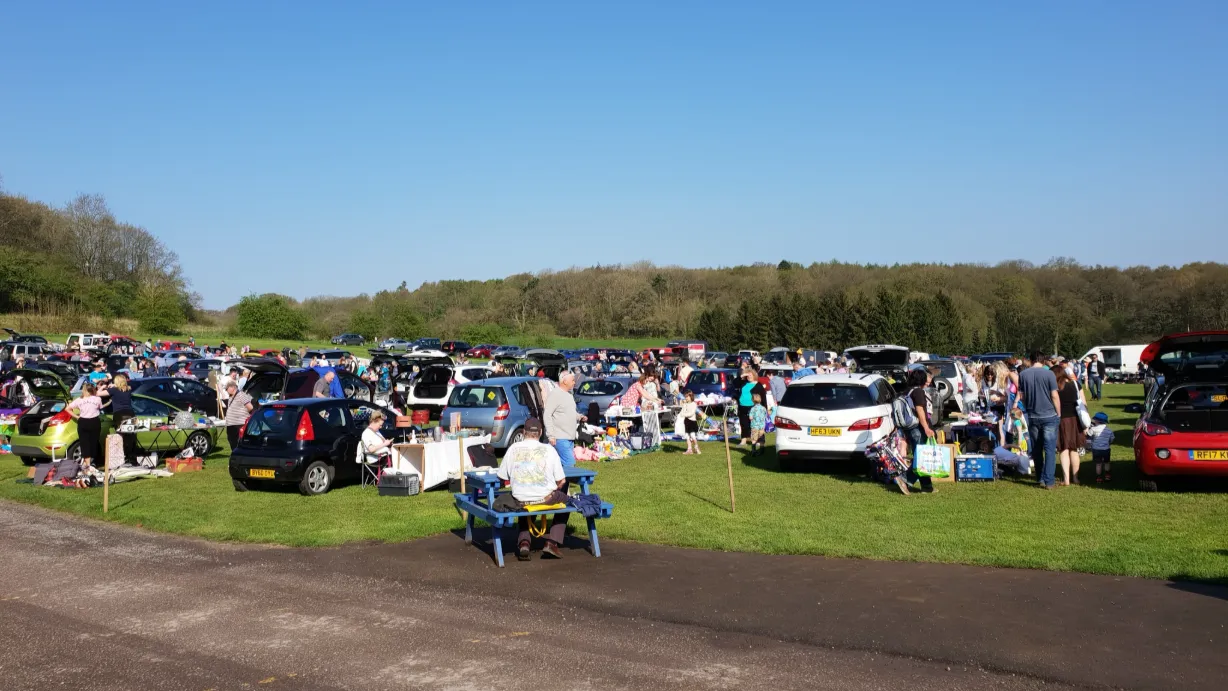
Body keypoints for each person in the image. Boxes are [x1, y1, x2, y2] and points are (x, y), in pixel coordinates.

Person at [496, 418, 569, 561]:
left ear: (524, 432)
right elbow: (561, 480)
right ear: (540, 432)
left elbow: (501, 476)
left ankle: (524, 541)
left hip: (521, 500)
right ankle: (552, 541)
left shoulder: (513, 449)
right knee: (566, 498)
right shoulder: (549, 450)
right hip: (545, 498)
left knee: (524, 497)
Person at [1019, 352, 1061, 489]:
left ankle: (1040, 477)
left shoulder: (1023, 375)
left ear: (1031, 360)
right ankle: (1049, 481)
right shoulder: (1049, 374)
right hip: (1049, 415)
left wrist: (1027, 407)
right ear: (1043, 361)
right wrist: (1058, 413)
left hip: (1032, 415)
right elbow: (1054, 395)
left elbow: (1022, 396)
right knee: (1049, 449)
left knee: (1036, 449)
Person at [899, 368, 937, 495]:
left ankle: (927, 486)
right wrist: (926, 428)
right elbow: (920, 411)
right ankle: (905, 479)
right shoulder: (918, 392)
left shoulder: (907, 391)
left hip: (910, 428)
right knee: (921, 459)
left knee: (922, 457)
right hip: (918, 429)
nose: (927, 382)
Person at [1053, 364, 1085, 485]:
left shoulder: (1055, 388)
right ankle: (1076, 478)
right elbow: (1083, 403)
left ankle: (1066, 479)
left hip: (1061, 420)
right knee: (1074, 449)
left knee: (1063, 449)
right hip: (1075, 419)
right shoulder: (1075, 384)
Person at [544, 371, 582, 468]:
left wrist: (579, 416)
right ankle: (566, 483)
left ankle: (561, 483)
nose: (574, 382)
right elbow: (547, 415)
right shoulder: (555, 395)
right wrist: (551, 435)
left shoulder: (569, 395)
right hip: (559, 437)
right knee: (570, 464)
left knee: (561, 466)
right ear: (565, 381)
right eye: (572, 380)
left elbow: (569, 411)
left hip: (570, 437)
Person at [98, 374, 136, 464]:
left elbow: (98, 393)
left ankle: (122, 456)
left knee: (121, 435)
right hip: (130, 414)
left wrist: (103, 386)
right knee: (130, 436)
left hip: (120, 414)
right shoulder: (128, 389)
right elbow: (126, 387)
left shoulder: (113, 390)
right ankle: (131, 456)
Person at [65, 383, 104, 468]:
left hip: (83, 421)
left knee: (84, 443)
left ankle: (87, 463)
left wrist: (77, 417)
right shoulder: (97, 399)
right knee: (94, 442)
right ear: (93, 389)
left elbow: (67, 409)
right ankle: (93, 462)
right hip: (94, 421)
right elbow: (100, 408)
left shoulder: (79, 400)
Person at [736, 371, 765, 447]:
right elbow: (735, 382)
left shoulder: (758, 385)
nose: (749, 376)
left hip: (753, 407)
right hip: (742, 407)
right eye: (748, 375)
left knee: (757, 425)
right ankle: (743, 441)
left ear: (754, 375)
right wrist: (743, 375)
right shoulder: (744, 383)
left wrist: (765, 408)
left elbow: (763, 398)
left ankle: (760, 441)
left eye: (750, 375)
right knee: (744, 424)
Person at [223, 382, 253, 450]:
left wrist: (242, 414)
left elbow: (250, 407)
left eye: (227, 389)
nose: (226, 390)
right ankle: (235, 454)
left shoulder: (241, 395)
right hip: (231, 425)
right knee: (232, 441)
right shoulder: (231, 396)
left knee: (239, 442)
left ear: (232, 387)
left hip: (240, 424)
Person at [1086, 411, 1114, 483]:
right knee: (1107, 462)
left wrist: (1089, 445)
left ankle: (1099, 478)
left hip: (1096, 450)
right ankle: (1107, 476)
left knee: (1098, 464)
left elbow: (1088, 437)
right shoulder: (1108, 430)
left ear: (1097, 421)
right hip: (1106, 449)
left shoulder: (1093, 429)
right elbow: (1112, 439)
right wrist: (1108, 443)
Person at [679, 390, 701, 455]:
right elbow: (682, 411)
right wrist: (683, 405)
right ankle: (689, 449)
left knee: (692, 435)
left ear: (691, 396)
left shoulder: (694, 404)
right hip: (686, 422)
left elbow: (691, 413)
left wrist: (684, 414)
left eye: (687, 397)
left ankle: (696, 447)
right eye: (685, 397)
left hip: (692, 422)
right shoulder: (685, 404)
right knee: (687, 436)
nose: (686, 398)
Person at [748, 392, 768, 456]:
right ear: (760, 399)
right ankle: (762, 451)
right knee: (761, 439)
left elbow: (750, 418)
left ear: (753, 401)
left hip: (754, 426)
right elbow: (766, 416)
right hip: (762, 426)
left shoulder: (753, 409)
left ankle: (753, 451)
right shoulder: (763, 408)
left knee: (754, 439)